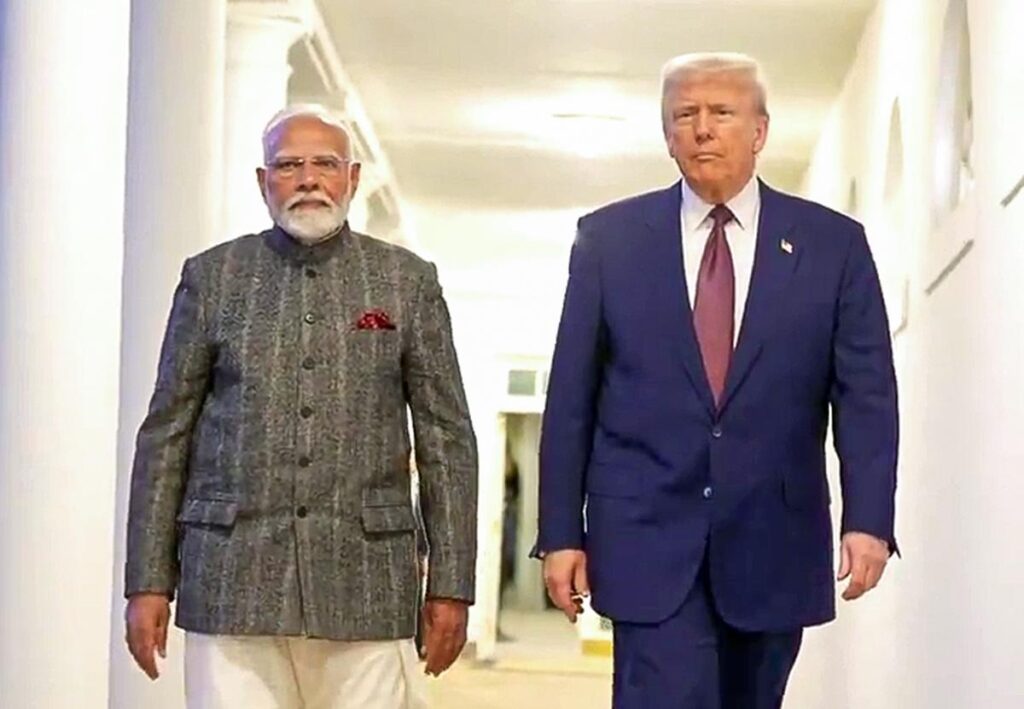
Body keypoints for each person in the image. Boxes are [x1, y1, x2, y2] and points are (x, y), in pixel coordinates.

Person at [536, 53, 898, 709]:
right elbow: (570, 402)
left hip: (774, 539)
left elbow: (866, 395)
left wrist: (869, 519)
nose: (703, 128)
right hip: (645, 536)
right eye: (685, 114)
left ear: (759, 130)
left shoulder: (831, 245)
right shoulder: (609, 241)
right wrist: (561, 532)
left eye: (722, 113)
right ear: (667, 134)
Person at [123, 104, 478, 709]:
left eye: (325, 163)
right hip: (231, 579)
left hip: (366, 580)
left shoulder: (405, 282)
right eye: (288, 165)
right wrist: (148, 580)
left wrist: (452, 585)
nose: (308, 178)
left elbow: (446, 439)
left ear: (353, 178)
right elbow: (167, 433)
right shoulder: (213, 278)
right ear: (263, 182)